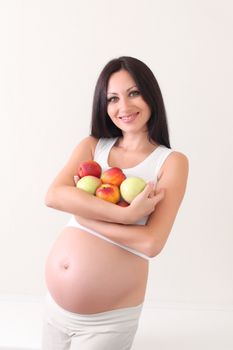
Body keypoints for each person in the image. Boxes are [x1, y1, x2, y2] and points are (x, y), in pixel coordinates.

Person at [42, 56, 189, 350]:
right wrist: (124, 215)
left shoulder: (170, 163)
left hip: (107, 322)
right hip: (54, 311)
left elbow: (151, 243)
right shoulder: (93, 146)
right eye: (112, 98)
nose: (124, 107)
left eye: (133, 93)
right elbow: (54, 195)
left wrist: (86, 216)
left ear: (151, 95)